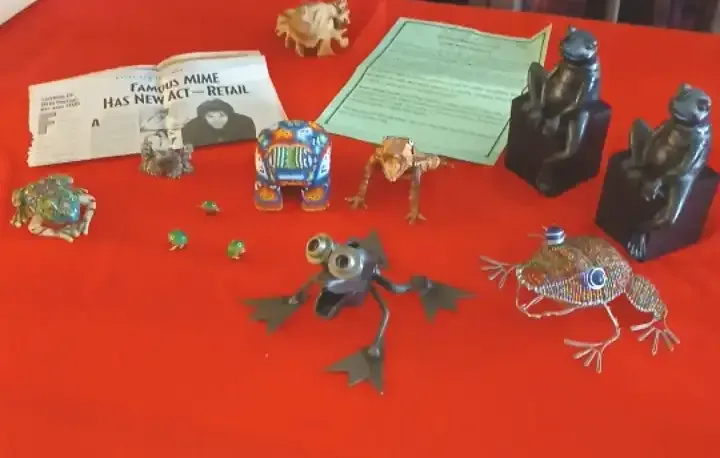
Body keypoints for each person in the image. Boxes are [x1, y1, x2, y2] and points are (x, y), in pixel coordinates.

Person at [181, 98, 256, 147]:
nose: (217, 120)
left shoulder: (244, 124)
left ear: (229, 116)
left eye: (221, 115)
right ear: (204, 118)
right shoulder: (191, 129)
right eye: (211, 116)